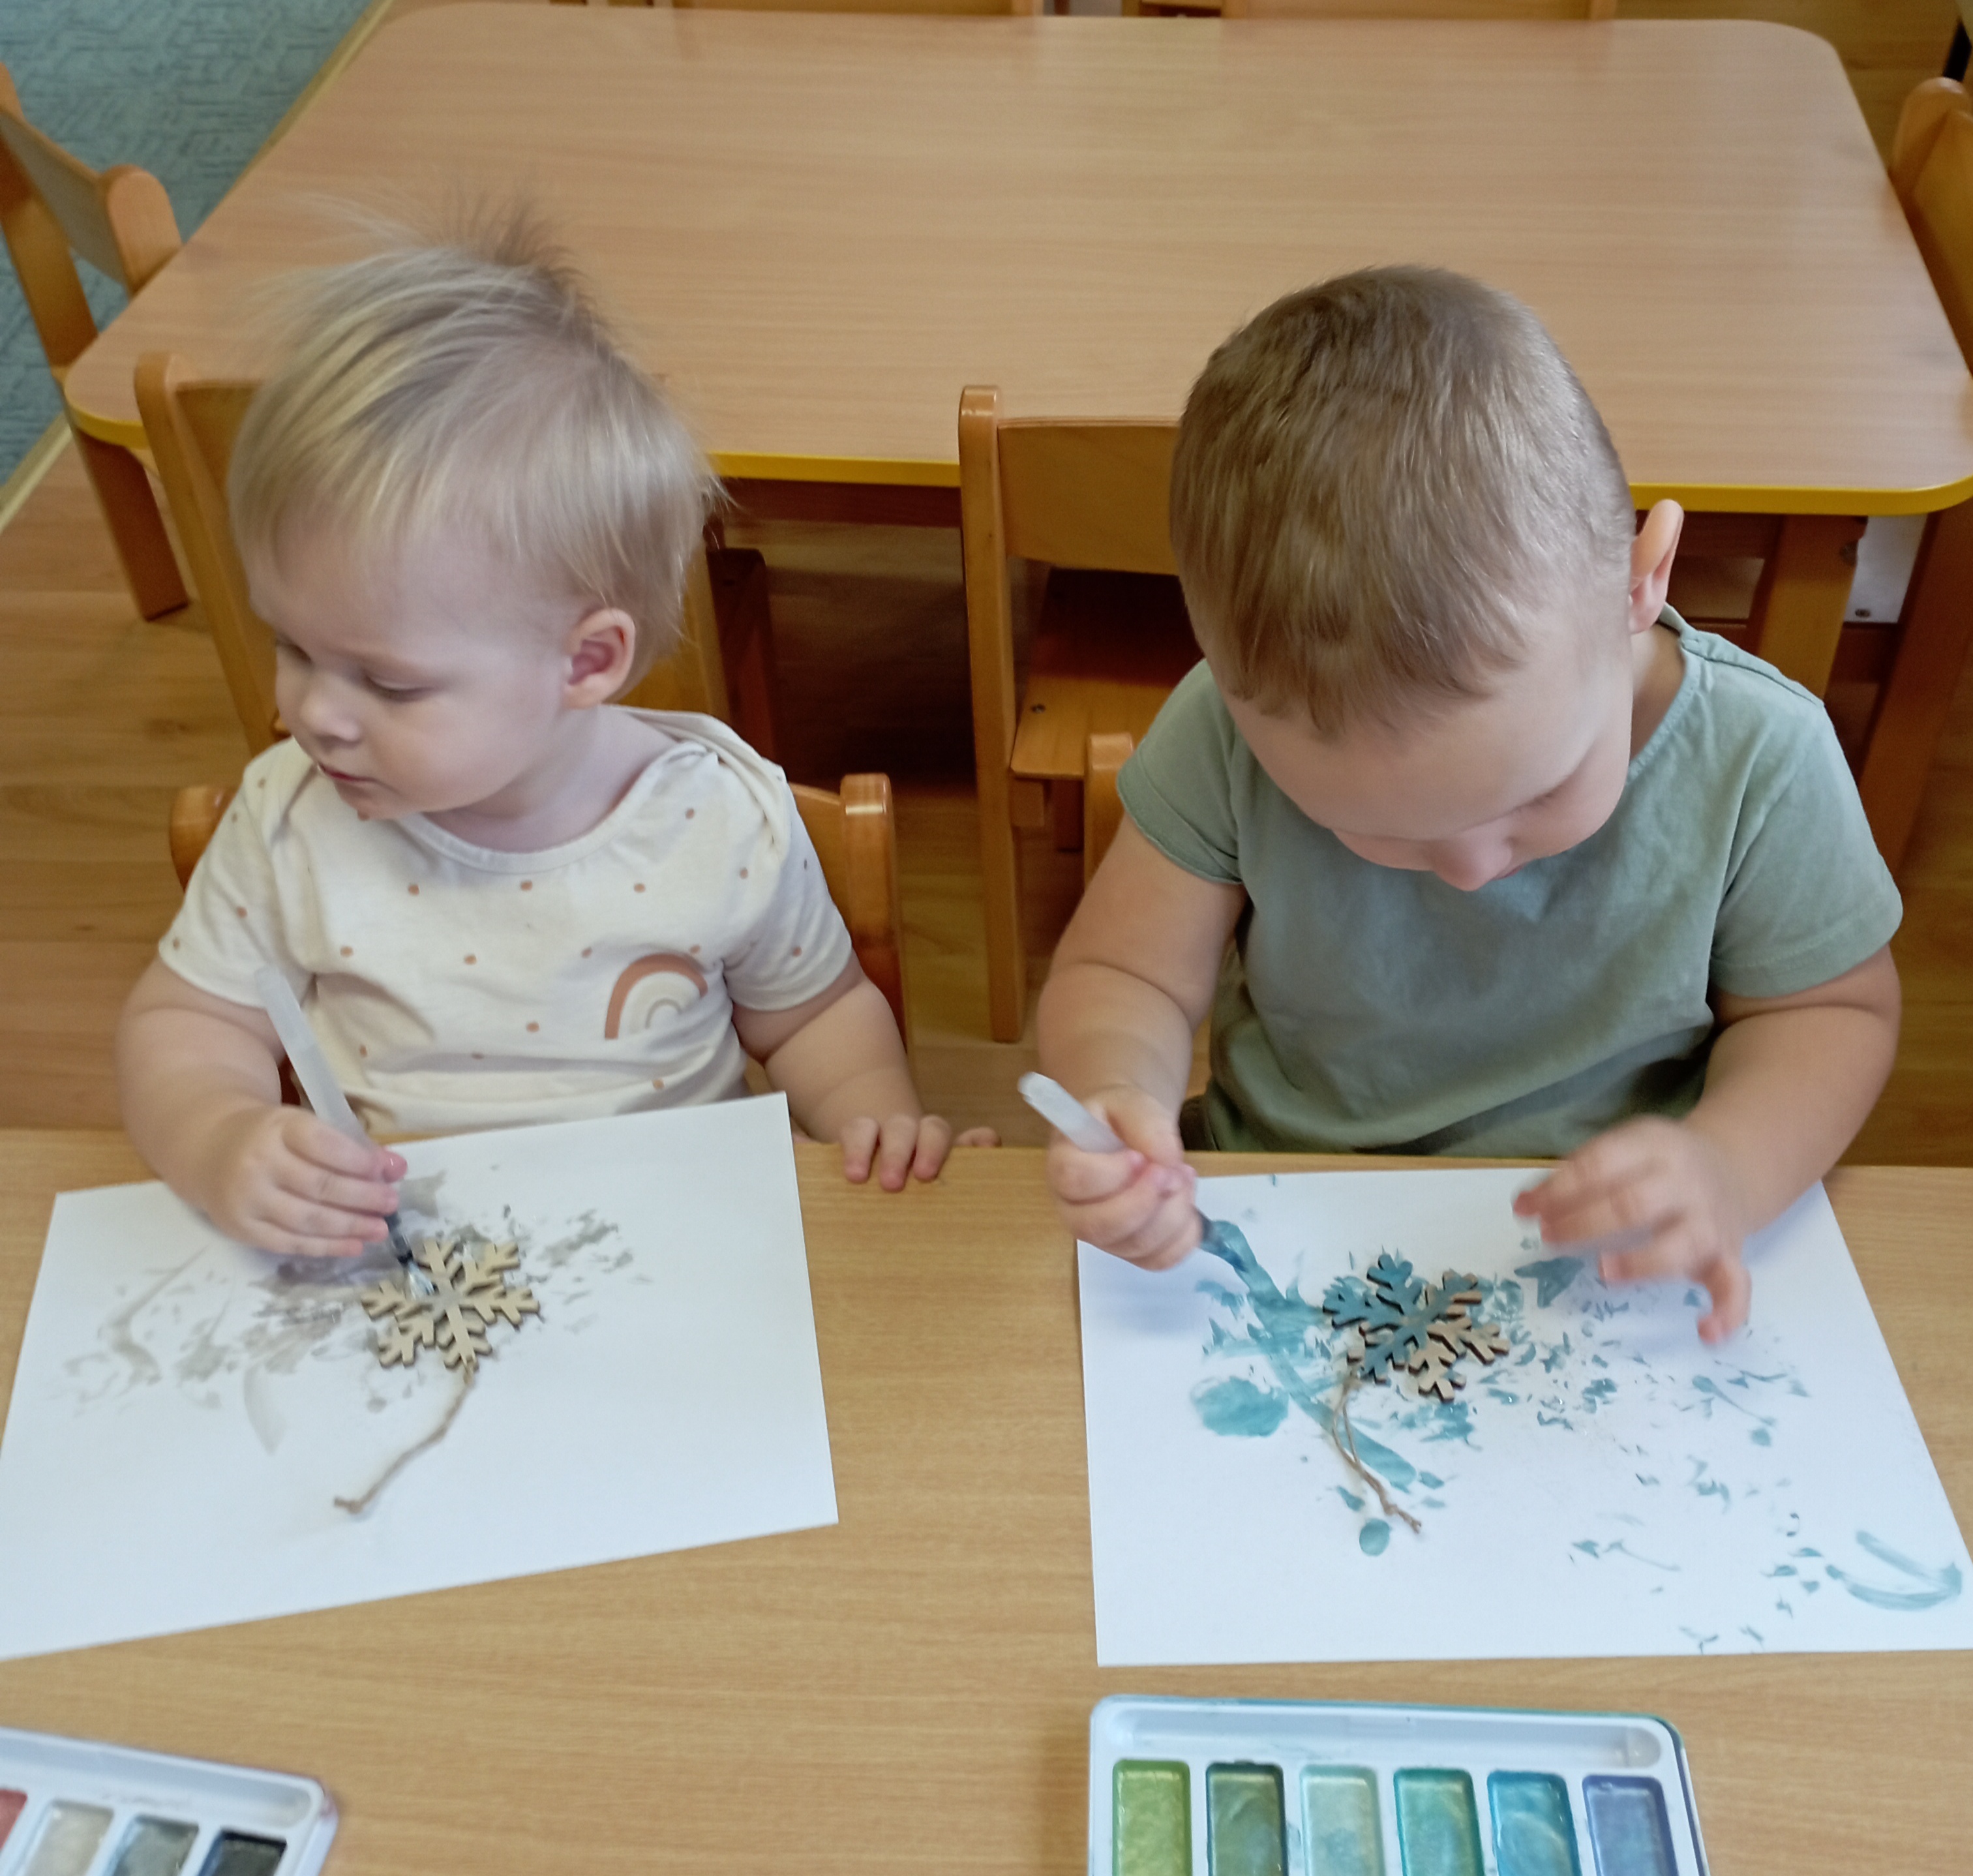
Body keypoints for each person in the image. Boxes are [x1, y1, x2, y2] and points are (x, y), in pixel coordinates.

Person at [1038, 267, 1901, 1339]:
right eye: (1375, 829)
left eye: (1538, 792)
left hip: (1613, 1253)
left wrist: (1728, 1164)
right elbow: (1124, 976)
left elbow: (1831, 1014)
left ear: (1640, 580)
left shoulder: (1760, 760)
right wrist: (1116, 1094)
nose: (1471, 868)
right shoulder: (1223, 729)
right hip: (1288, 1202)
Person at [119, 217, 990, 1259]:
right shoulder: (287, 822)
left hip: (676, 1253)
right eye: (293, 647)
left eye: (388, 682)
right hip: (406, 1266)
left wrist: (869, 1118)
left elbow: (812, 1018)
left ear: (585, 662)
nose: (313, 714)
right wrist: (219, 1139)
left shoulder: (717, 820)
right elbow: (187, 1026)